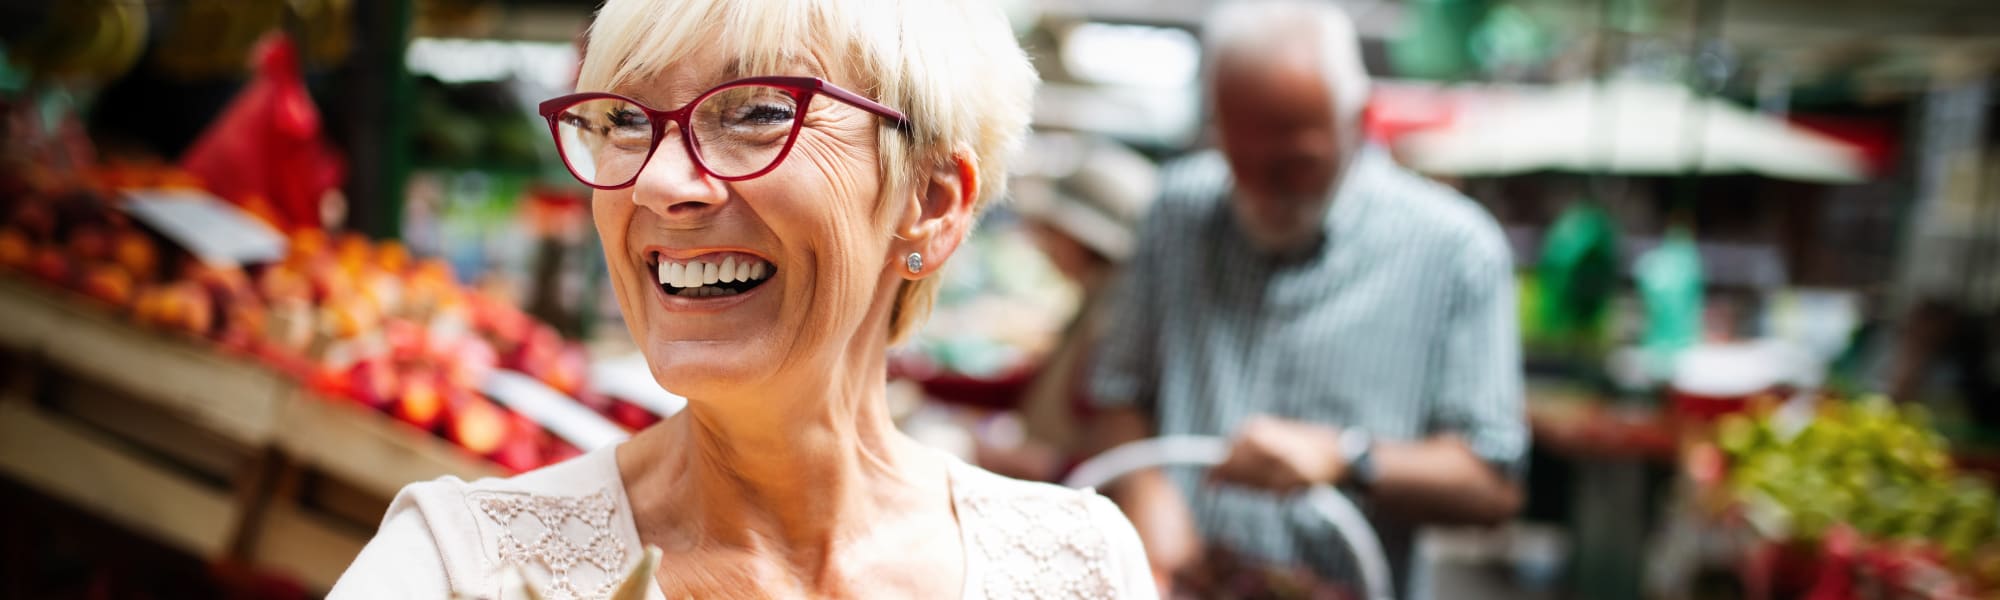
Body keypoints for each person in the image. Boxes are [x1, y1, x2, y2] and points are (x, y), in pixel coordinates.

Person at [329, 0, 1155, 598]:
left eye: (757, 112)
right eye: (621, 119)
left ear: (932, 204)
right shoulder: (458, 568)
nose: (657, 181)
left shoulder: (1080, 566)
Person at [1083, 1, 1528, 595]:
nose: (1263, 191)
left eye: (1296, 165)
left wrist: (1348, 459)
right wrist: (1147, 493)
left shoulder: (1456, 250)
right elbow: (1118, 392)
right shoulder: (1177, 213)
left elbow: (1492, 484)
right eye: (1241, 160)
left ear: (1359, 120)